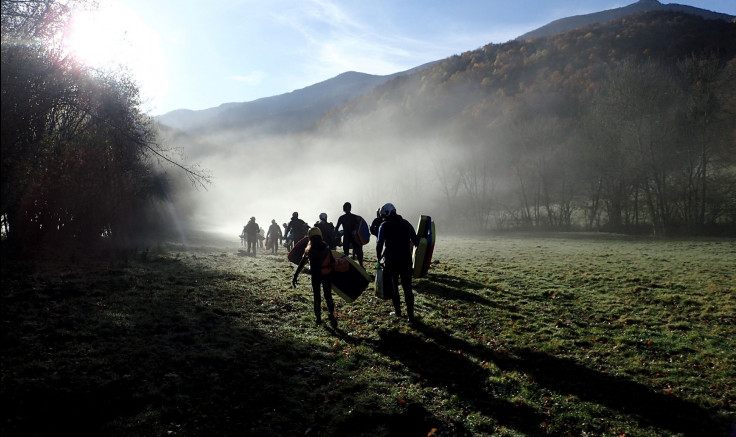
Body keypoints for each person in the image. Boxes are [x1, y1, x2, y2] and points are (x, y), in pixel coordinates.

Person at [375, 203, 420, 323]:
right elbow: (416, 241)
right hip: (406, 259)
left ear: (386, 213)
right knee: (407, 288)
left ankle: (398, 313)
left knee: (394, 286)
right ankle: (411, 316)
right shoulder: (406, 223)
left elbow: (379, 244)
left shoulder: (383, 226)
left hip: (391, 260)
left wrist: (379, 258)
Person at [292, 227, 338, 328]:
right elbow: (333, 262)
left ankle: (318, 318)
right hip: (326, 274)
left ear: (310, 237)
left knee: (317, 296)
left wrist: (295, 276)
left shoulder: (309, 249)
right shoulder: (326, 247)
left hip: (316, 275)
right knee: (328, 296)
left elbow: (302, 263)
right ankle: (331, 313)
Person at [335, 202, 364, 267]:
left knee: (346, 254)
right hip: (354, 237)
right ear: (350, 208)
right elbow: (360, 227)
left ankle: (346, 266)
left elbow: (336, 229)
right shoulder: (355, 217)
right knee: (358, 252)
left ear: (343, 209)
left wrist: (338, 235)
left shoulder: (341, 218)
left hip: (347, 237)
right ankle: (361, 266)